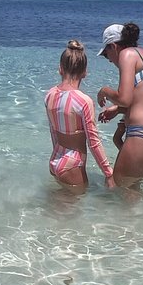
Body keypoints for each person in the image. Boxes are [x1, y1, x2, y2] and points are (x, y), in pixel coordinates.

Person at [94, 22, 143, 182]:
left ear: (113, 46)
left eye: (105, 54)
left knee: (115, 186)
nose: (108, 60)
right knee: (131, 193)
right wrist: (118, 110)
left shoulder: (127, 55)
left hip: (141, 135)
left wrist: (104, 91)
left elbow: (124, 98)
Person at [44, 39, 114, 188]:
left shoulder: (49, 94)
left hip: (55, 158)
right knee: (75, 210)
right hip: (72, 164)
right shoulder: (83, 101)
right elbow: (93, 142)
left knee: (55, 208)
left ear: (60, 69)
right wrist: (108, 173)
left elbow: (53, 132)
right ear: (84, 73)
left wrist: (57, 161)